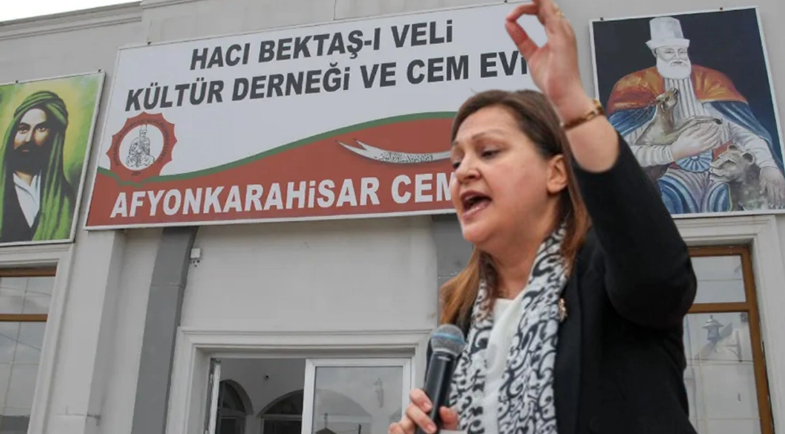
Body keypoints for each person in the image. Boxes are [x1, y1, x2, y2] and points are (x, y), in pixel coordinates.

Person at [388, 1, 697, 433]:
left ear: (556, 173)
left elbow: (659, 273)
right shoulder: (458, 323)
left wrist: (570, 101)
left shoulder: (608, 275)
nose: (463, 172)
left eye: (488, 152)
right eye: (456, 162)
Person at [606, 16, 785, 212]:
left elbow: (744, 132)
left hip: (724, 174)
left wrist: (768, 165)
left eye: (681, 51)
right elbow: (618, 154)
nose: (677, 57)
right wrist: (673, 152)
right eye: (669, 51)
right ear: (656, 52)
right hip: (666, 177)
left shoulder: (714, 81)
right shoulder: (634, 86)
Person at [0, 90, 76, 243]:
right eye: (23, 129)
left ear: (53, 137)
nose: (28, 138)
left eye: (41, 129)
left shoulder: (65, 199)